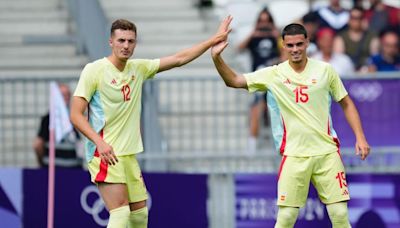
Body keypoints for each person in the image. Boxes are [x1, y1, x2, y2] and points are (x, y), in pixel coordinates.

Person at [70, 17, 232, 228]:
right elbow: (75, 114)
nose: (126, 46)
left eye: (130, 41)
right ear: (111, 42)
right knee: (120, 214)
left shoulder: (138, 68)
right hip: (105, 154)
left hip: (128, 155)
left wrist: (213, 40)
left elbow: (179, 58)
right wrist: (99, 142)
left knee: (139, 217)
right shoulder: (94, 70)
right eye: (121, 40)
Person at [211, 22, 370, 228]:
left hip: (327, 152)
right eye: (290, 45)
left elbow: (346, 103)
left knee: (339, 214)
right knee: (286, 218)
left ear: (307, 44)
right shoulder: (274, 74)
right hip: (294, 155)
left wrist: (360, 137)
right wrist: (217, 58)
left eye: (299, 44)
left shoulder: (325, 71)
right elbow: (233, 80)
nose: (295, 49)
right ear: (283, 46)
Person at [237, 7, 279, 152]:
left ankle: (279, 146)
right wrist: (254, 32)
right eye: (261, 21)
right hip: (259, 78)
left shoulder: (276, 37)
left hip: (275, 78)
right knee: (256, 108)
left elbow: (286, 50)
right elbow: (239, 48)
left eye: (267, 21)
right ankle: (252, 146)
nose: (264, 24)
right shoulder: (254, 37)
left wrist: (276, 33)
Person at [33, 83, 82, 168]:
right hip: (53, 169)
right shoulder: (48, 119)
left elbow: (79, 143)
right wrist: (41, 163)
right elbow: (38, 145)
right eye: (62, 95)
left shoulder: (75, 117)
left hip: (74, 169)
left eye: (68, 95)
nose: (66, 98)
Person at [333, 7, 379, 71]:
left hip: (367, 73)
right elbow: (338, 60)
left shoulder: (371, 37)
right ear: (349, 20)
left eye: (359, 18)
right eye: (353, 18)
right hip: (347, 73)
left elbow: (375, 59)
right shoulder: (341, 38)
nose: (355, 21)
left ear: (363, 19)